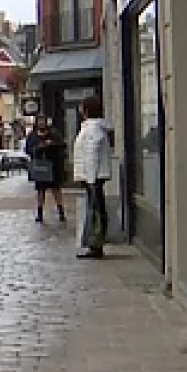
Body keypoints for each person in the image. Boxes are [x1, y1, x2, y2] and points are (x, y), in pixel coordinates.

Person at [73, 96, 114, 258]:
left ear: (87, 109)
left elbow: (91, 154)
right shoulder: (93, 127)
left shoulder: (92, 129)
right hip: (94, 176)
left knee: (95, 211)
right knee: (96, 209)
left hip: (93, 177)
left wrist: (90, 180)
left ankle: (95, 243)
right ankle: (95, 243)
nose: (80, 110)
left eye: (82, 107)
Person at [24, 116, 66, 224]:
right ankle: (40, 213)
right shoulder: (32, 136)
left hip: (53, 166)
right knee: (40, 190)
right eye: (39, 121)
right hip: (39, 166)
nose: (42, 123)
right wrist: (37, 148)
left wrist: (51, 144)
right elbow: (28, 149)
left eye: (43, 121)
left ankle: (61, 211)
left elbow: (62, 145)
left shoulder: (54, 133)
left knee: (56, 189)